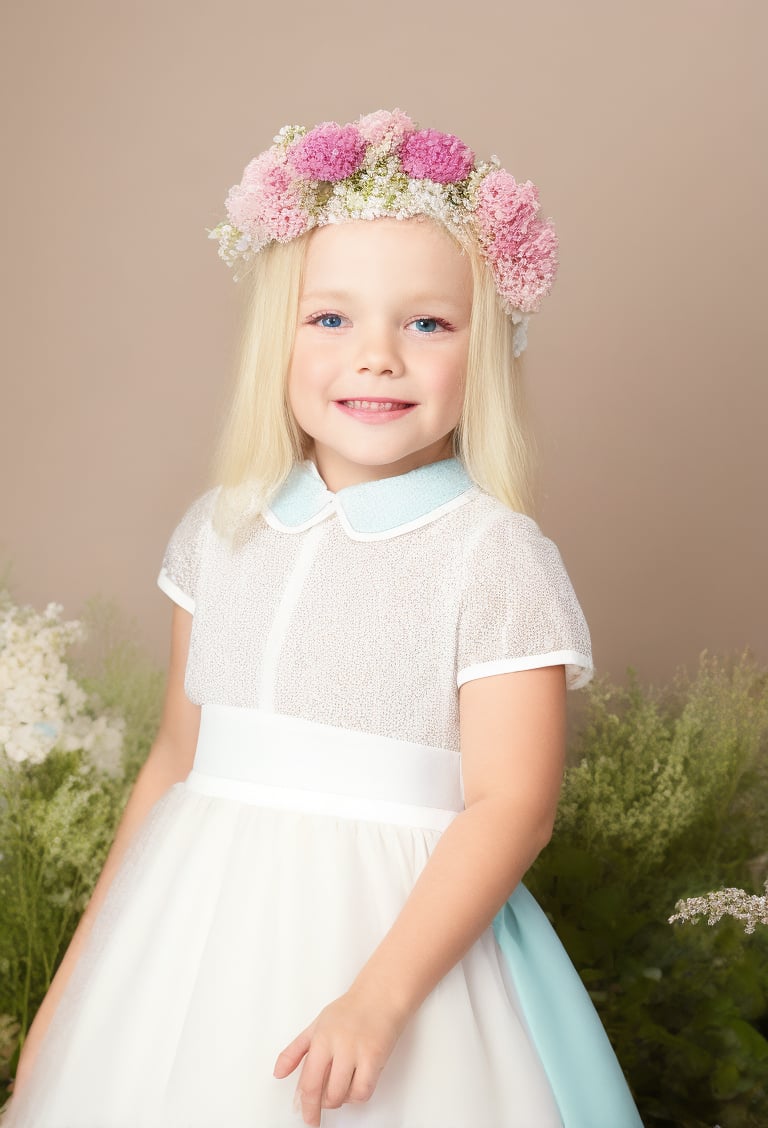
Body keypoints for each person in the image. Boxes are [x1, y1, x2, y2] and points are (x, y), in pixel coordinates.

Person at [3, 110, 643, 1127]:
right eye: (332, 319)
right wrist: (72, 996)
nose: (376, 357)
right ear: (280, 339)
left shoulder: (493, 556)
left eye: (426, 323)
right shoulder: (220, 533)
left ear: (484, 349)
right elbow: (176, 756)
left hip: (390, 956)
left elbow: (512, 807)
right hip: (188, 946)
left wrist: (377, 1001)